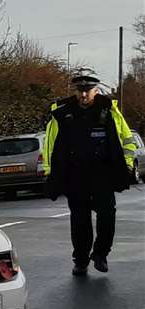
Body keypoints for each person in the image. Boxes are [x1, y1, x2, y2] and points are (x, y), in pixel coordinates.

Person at [43, 69, 138, 276]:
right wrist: (50, 172)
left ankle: (101, 254)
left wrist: (127, 165)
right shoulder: (63, 114)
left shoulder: (109, 111)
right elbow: (51, 145)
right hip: (76, 177)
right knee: (80, 222)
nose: (83, 95)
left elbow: (126, 140)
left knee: (107, 217)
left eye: (88, 90)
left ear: (96, 90)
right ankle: (81, 260)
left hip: (102, 176)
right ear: (75, 91)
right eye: (80, 91)